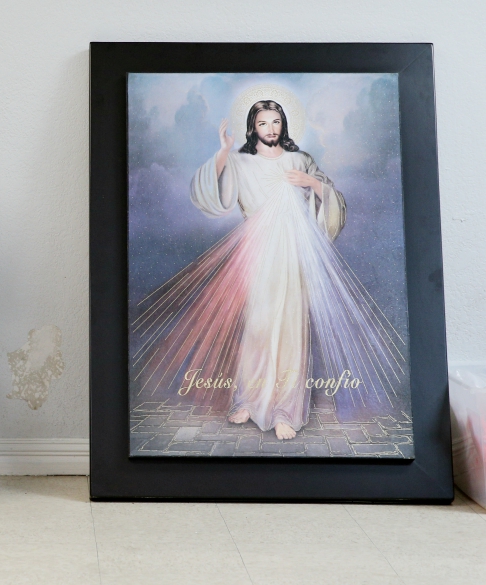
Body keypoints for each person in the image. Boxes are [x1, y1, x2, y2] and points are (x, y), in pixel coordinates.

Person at [130, 100, 407, 442]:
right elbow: (211, 197)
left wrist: (313, 183)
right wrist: (224, 151)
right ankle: (249, 398)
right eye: (263, 123)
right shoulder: (241, 162)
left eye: (276, 122)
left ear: (283, 125)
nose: (271, 128)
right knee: (258, 327)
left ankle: (285, 410)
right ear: (252, 128)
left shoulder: (301, 160)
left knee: (292, 328)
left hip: (294, 254)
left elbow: (332, 201)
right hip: (257, 253)